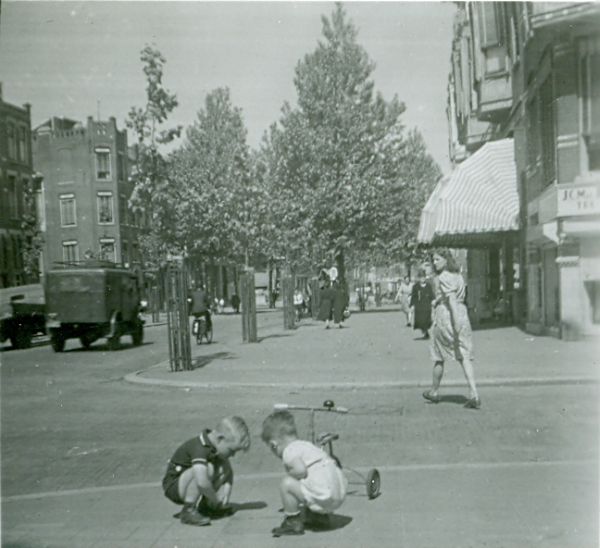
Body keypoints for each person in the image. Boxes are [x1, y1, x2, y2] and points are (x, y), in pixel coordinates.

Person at [261, 410, 347, 537]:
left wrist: (290, 472)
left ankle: (292, 522)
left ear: (274, 445)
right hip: (338, 495)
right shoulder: (307, 445)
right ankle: (319, 518)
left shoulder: (289, 451)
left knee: (287, 484)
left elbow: (300, 471)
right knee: (311, 480)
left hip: (324, 497)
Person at [162, 416, 251, 526]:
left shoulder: (214, 446)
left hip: (187, 483)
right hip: (174, 486)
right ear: (220, 439)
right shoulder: (200, 447)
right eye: (231, 450)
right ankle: (188, 509)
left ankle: (205, 507)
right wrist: (215, 499)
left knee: (222, 465)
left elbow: (228, 471)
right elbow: (201, 482)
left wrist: (227, 490)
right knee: (207, 469)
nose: (233, 455)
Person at [423, 249, 481, 409]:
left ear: (446, 260)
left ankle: (434, 391)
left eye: (437, 259)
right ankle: (474, 392)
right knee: (465, 355)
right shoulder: (458, 277)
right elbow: (455, 296)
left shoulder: (443, 277)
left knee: (438, 356)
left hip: (447, 316)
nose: (434, 263)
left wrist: (454, 323)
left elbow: (452, 301)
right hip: (463, 314)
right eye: (433, 260)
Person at [410, 268, 434, 339]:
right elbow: (413, 296)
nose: (422, 279)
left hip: (427, 306)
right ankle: (425, 332)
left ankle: (426, 333)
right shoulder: (415, 287)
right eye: (421, 277)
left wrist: (433, 301)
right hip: (419, 307)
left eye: (423, 277)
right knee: (420, 321)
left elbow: (431, 295)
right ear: (419, 278)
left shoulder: (428, 286)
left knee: (426, 320)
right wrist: (412, 305)